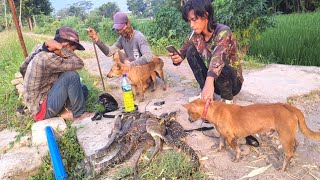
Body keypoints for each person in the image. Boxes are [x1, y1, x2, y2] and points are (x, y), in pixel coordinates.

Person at [169, 0, 259, 147]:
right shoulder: (194, 35)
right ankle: (205, 94)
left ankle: (227, 102)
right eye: (189, 21)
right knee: (191, 51)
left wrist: (209, 83)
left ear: (205, 15)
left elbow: (218, 59)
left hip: (232, 82)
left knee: (219, 64)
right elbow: (183, 53)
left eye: (194, 19)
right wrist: (177, 58)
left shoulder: (223, 31)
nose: (191, 25)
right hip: (214, 81)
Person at [20, 26, 92, 121]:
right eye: (72, 50)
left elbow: (22, 68)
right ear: (65, 45)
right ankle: (78, 115)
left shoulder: (40, 48)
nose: (70, 54)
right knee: (72, 76)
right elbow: (79, 63)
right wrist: (61, 47)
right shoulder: (49, 58)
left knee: (83, 89)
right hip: (42, 110)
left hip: (42, 100)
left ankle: (66, 111)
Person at [87, 12, 153, 69]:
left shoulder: (139, 37)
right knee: (116, 53)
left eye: (121, 28)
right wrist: (96, 39)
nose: (119, 31)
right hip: (131, 68)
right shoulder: (122, 39)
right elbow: (109, 52)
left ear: (127, 24)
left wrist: (131, 64)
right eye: (117, 29)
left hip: (142, 69)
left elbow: (148, 56)